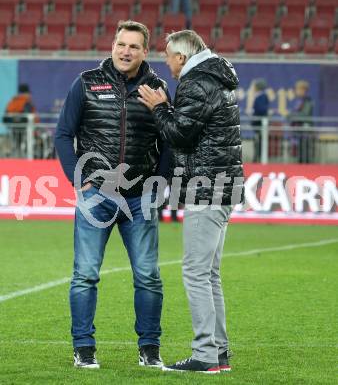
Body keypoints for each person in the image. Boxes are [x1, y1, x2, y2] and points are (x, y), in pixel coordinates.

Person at [54, 20, 168, 369]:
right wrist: (79, 178)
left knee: (148, 276)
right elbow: (62, 135)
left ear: (144, 52)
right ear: (113, 45)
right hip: (96, 196)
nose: (125, 51)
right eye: (121, 44)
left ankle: (149, 349)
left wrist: (160, 183)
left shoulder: (156, 87)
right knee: (85, 275)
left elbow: (170, 140)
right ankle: (83, 349)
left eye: (133, 46)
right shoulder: (86, 83)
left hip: (139, 197)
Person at [138, 30, 244, 373]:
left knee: (196, 273)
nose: (166, 62)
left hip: (207, 187)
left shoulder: (196, 83)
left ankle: (205, 355)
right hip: (222, 185)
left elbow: (180, 133)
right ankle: (219, 351)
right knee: (209, 273)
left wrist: (160, 107)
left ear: (181, 57)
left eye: (168, 55)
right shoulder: (216, 77)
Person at [3, 83, 38, 157]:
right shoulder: (26, 102)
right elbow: (30, 117)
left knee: (16, 146)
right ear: (26, 93)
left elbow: (5, 117)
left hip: (13, 129)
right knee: (25, 147)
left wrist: (13, 122)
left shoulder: (12, 102)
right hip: (25, 130)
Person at [289, 80, 314, 163]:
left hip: (305, 130)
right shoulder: (299, 101)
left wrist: (293, 116)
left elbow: (305, 114)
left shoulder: (307, 101)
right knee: (300, 150)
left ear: (303, 90)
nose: (296, 91)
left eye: (298, 89)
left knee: (305, 150)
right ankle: (301, 164)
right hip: (299, 130)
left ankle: (306, 167)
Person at [251, 79, 269, 162]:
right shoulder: (259, 96)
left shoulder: (262, 96)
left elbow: (262, 109)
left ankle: (258, 159)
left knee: (259, 142)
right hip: (258, 124)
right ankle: (257, 158)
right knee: (257, 142)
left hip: (260, 124)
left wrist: (255, 113)